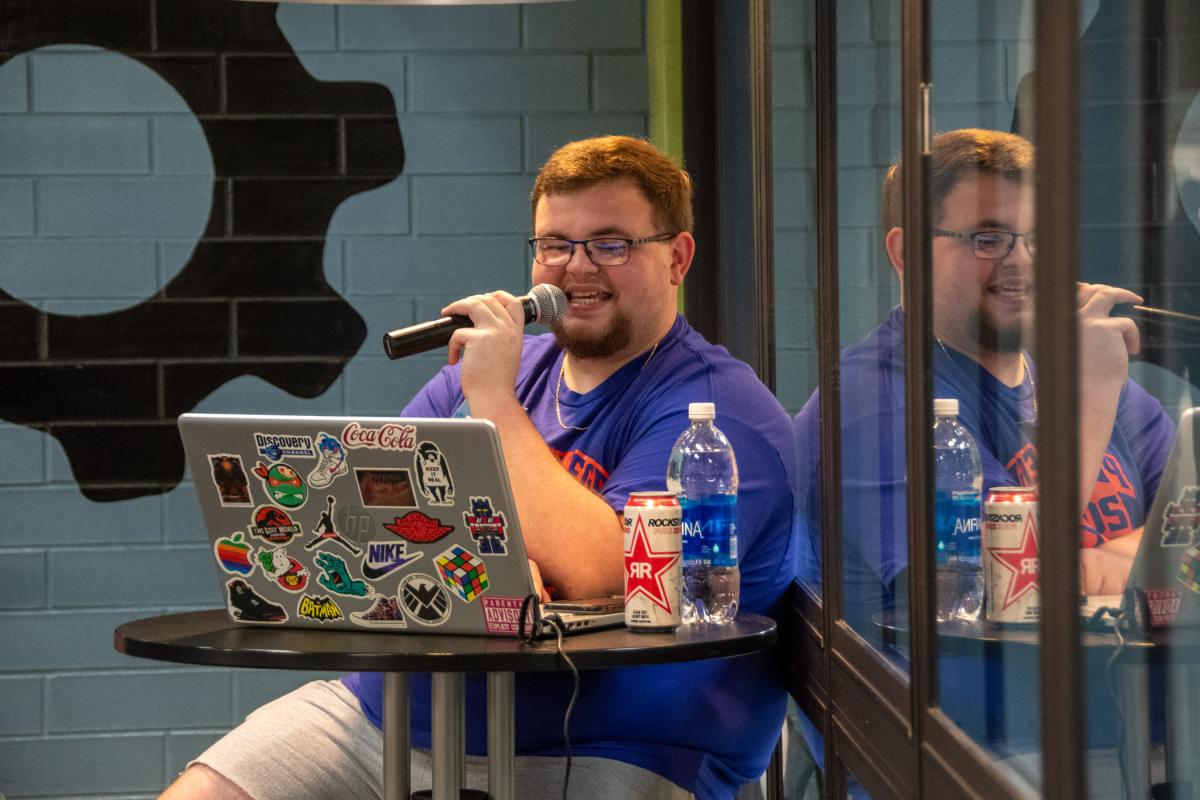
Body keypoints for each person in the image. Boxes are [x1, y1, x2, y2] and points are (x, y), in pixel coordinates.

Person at [162, 135, 797, 800]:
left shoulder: (717, 413)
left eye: (611, 244)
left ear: (678, 258)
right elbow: (367, 506)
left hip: (609, 745)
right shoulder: (497, 370)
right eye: (555, 244)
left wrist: (491, 400)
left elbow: (610, 572)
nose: (577, 268)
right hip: (387, 716)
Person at [793, 128, 1175, 748]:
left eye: (1036, 237)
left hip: (1133, 737)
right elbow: (1006, 582)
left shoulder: (1090, 386)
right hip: (968, 758)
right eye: (988, 238)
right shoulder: (868, 401)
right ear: (906, 253)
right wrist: (1092, 399)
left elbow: (1184, 545)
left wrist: (1093, 565)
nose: (1021, 260)